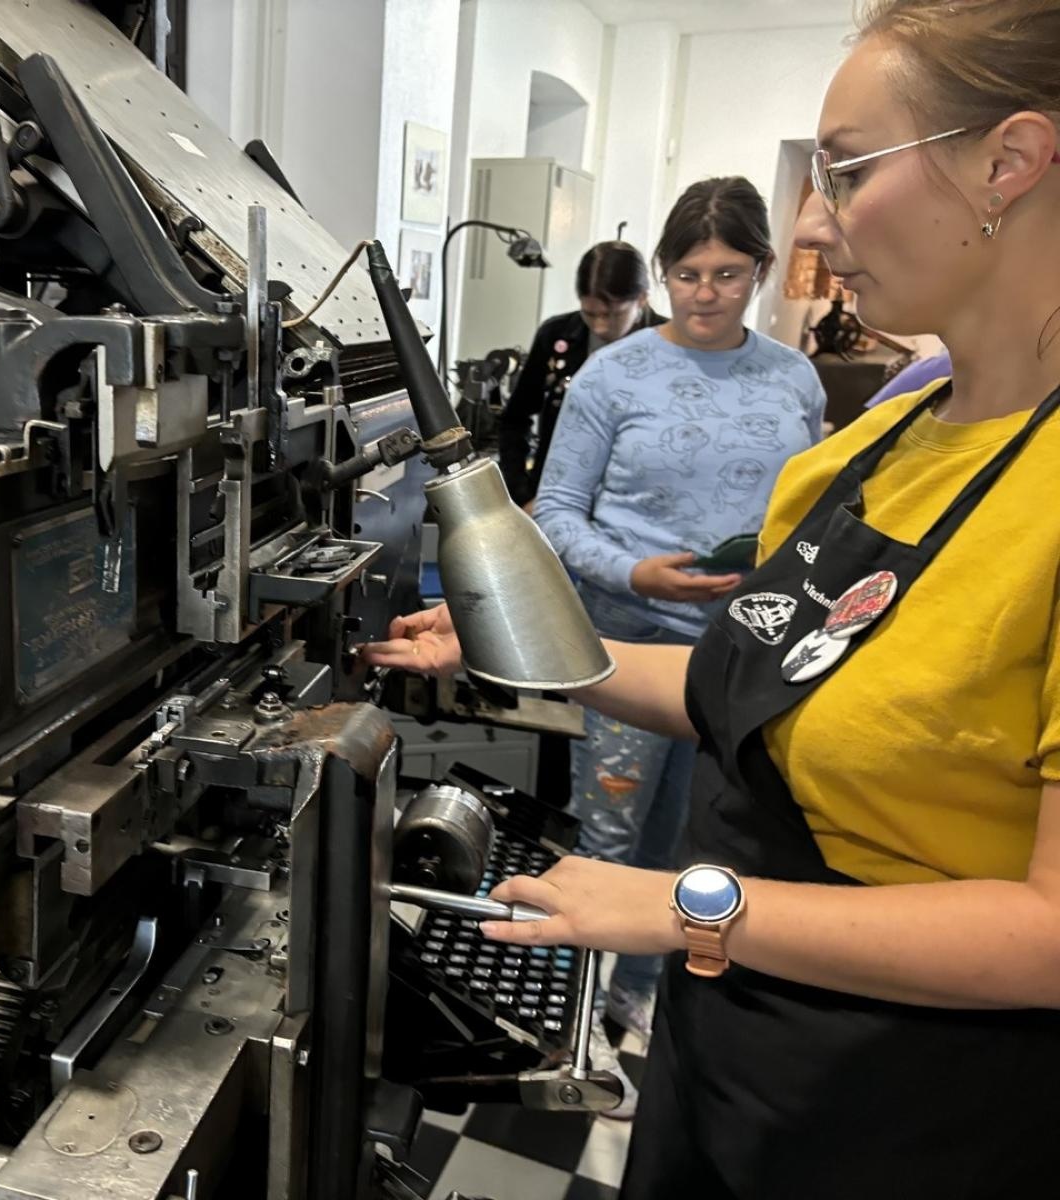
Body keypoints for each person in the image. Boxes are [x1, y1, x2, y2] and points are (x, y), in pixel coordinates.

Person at [366, 1, 1060, 1193]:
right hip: (728, 1046)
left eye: (844, 169)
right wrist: (500, 655)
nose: (808, 217)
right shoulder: (882, 434)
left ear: (1007, 161)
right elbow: (745, 682)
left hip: (902, 1101)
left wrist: (680, 906)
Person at [530, 177, 825, 1082]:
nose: (707, 292)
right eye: (688, 273)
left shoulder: (793, 377)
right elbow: (555, 512)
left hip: (743, 656)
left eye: (729, 273)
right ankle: (570, 1018)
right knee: (609, 834)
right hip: (628, 638)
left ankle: (641, 994)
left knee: (694, 841)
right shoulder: (613, 374)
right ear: (662, 274)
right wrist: (634, 571)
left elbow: (810, 510)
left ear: (762, 272)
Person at [499, 241, 666, 507]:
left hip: (633, 506)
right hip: (554, 499)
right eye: (590, 314)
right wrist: (521, 494)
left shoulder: (669, 348)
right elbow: (514, 420)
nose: (600, 326)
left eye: (613, 314)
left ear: (642, 299)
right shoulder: (555, 336)